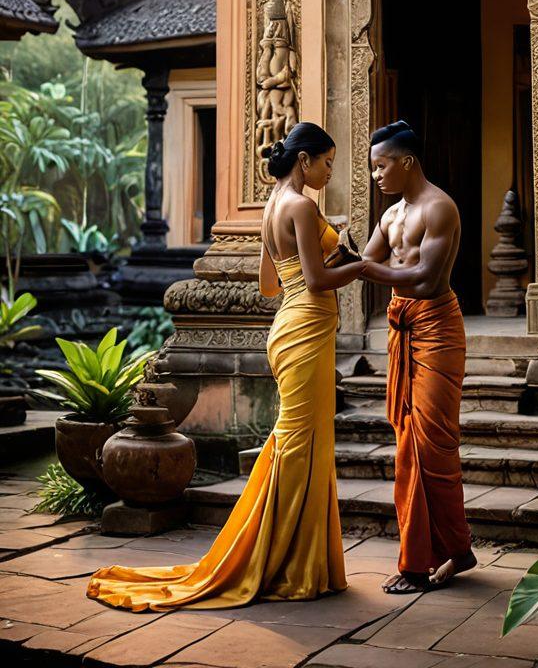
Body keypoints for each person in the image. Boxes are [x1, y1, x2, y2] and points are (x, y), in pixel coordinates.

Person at [87, 122, 364, 611]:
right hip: (305, 327)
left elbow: (268, 285)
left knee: (301, 443)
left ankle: (297, 557)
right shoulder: (301, 205)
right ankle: (280, 559)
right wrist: (359, 264)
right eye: (326, 162)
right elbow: (319, 280)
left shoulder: (273, 206)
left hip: (290, 324)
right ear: (305, 160)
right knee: (299, 446)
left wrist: (332, 252)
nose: (328, 171)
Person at [360, 120, 475, 594]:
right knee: (408, 441)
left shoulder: (439, 207)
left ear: (406, 161)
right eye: (372, 168)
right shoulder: (389, 216)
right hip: (402, 327)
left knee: (432, 444)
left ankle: (421, 562)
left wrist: (364, 266)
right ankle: (455, 551)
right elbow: (361, 262)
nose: (376, 177)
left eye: (382, 166)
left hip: (436, 328)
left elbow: (426, 279)